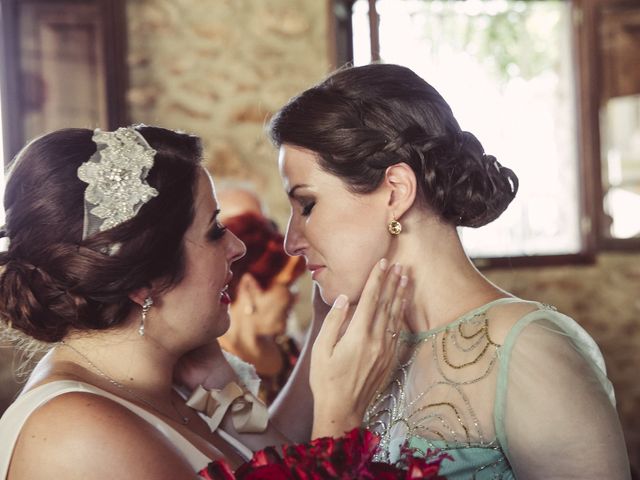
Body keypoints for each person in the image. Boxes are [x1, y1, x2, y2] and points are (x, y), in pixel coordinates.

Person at [268, 63, 632, 479]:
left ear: (396, 191)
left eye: (308, 205)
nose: (291, 241)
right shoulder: (360, 352)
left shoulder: (527, 349)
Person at [0, 125, 409, 479]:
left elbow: (276, 463)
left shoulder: (181, 382)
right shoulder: (75, 433)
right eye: (214, 230)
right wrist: (340, 419)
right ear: (146, 279)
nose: (237, 247)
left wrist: (228, 393)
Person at [216, 188, 306, 405]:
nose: (295, 298)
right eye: (287, 286)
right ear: (250, 288)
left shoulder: (287, 348)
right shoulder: (208, 368)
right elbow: (245, 436)